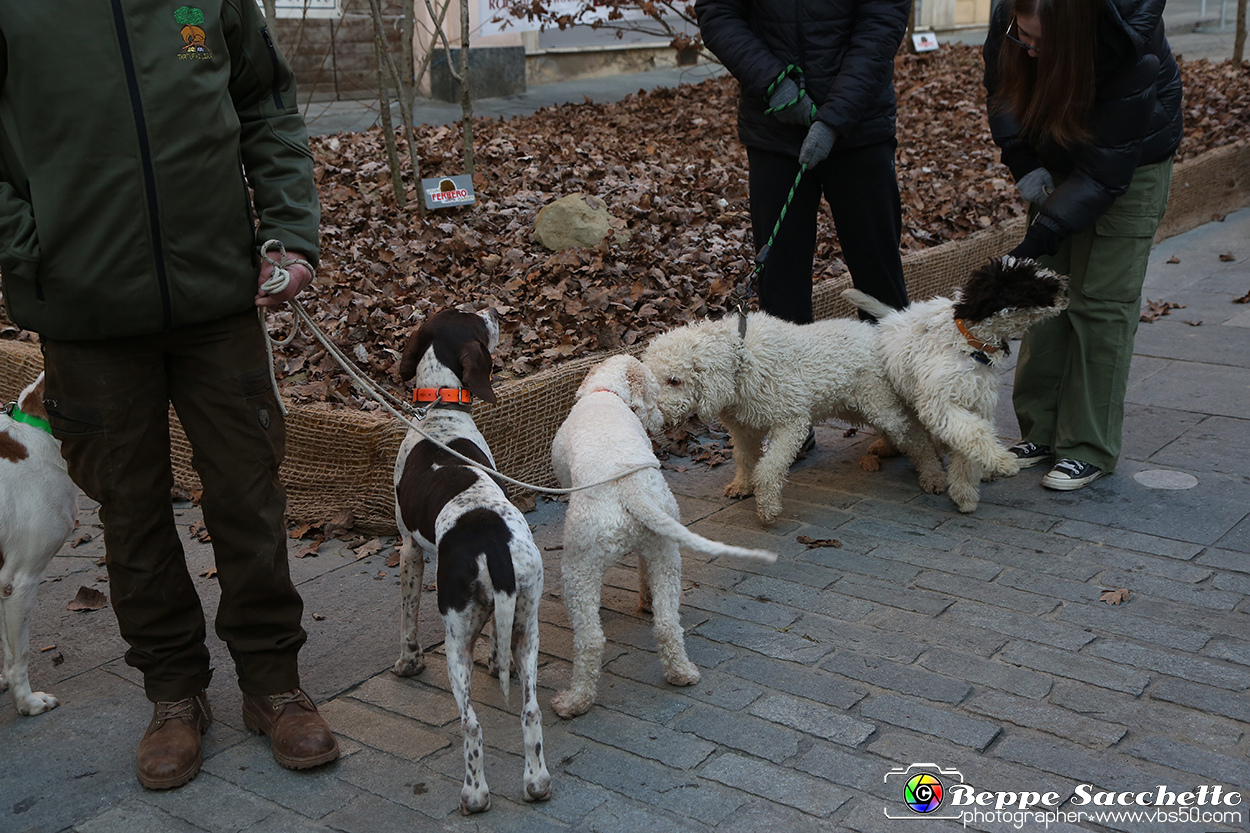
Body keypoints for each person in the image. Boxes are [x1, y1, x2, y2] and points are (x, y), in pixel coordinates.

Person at [0, 2, 339, 789]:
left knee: (248, 492)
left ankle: (272, 684)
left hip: (217, 298)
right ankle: (173, 694)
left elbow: (265, 103)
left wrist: (287, 230)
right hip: (85, 313)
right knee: (132, 508)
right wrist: (34, 242)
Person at [695, 0, 913, 454]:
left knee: (878, 272)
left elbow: (879, 25)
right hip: (774, 127)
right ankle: (789, 419)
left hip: (859, 128)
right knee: (781, 280)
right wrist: (775, 83)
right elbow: (719, 14)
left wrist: (834, 118)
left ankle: (902, 413)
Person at [984, 0, 1183, 491]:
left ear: (1072, 38)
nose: (1027, 49)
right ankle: (1042, 431)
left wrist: (1035, 239)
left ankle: (1087, 446)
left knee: (1100, 303)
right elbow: (1002, 85)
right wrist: (1022, 159)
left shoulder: (1129, 50)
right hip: (1057, 145)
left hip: (1128, 162)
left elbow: (1104, 172)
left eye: (1039, 42)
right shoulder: (1011, 14)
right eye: (1020, 36)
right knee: (1044, 294)